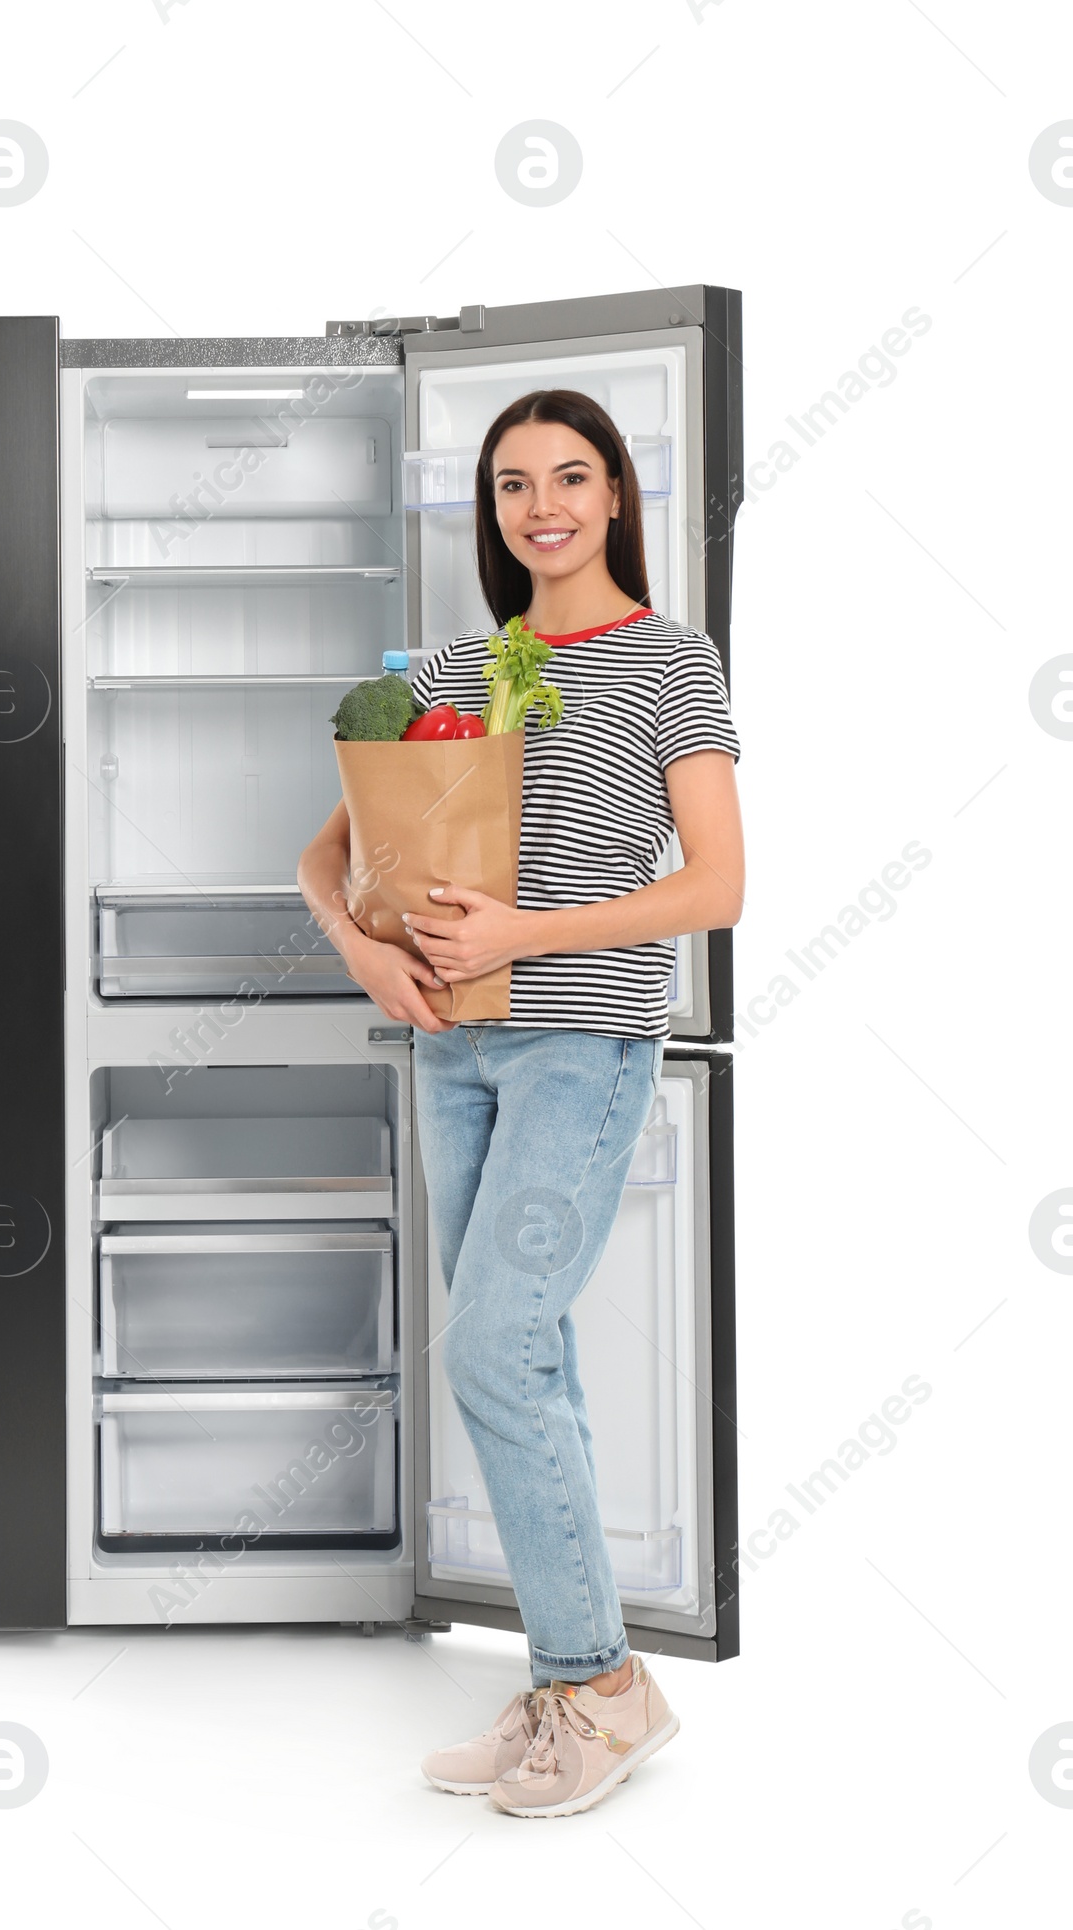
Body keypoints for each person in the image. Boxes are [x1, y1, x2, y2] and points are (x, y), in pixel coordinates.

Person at [297, 388, 743, 1818]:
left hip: (580, 1044)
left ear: (616, 493)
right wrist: (366, 948)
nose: (540, 506)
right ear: (490, 511)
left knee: (492, 1342)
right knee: (519, 1357)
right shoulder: (462, 663)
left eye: (568, 476)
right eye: (510, 485)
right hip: (453, 1046)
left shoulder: (674, 659)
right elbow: (322, 851)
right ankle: (568, 1683)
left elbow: (717, 888)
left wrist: (517, 937)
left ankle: (606, 1687)